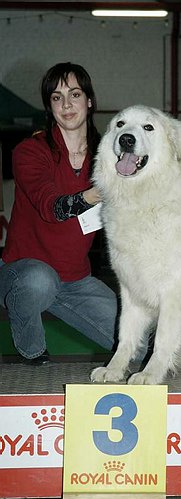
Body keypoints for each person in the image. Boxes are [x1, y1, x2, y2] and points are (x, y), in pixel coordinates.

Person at [0, 62, 118, 364]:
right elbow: (52, 207)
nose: (66, 104)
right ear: (49, 106)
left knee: (138, 345)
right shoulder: (29, 151)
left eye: (74, 94)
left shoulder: (107, 156)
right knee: (40, 280)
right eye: (56, 97)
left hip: (76, 280)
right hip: (24, 273)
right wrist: (99, 191)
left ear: (89, 101)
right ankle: (31, 349)